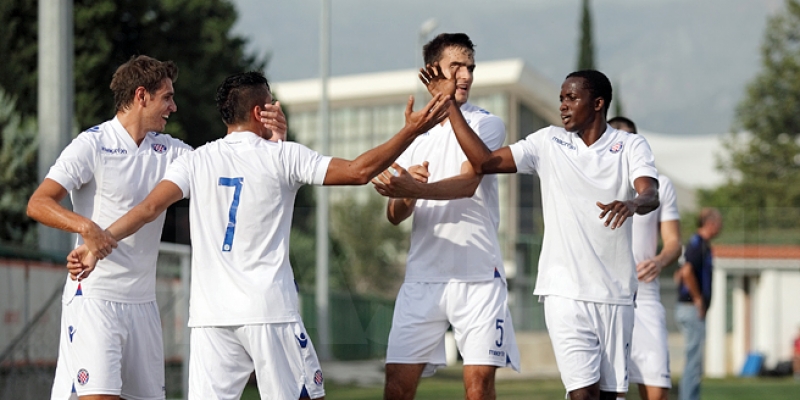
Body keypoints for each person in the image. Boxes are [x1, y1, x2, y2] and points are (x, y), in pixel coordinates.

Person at [67, 71, 450, 399]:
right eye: (270, 104)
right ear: (258, 111)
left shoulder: (196, 159)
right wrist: (412, 129)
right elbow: (358, 171)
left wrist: (94, 246)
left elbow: (148, 209)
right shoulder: (283, 156)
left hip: (210, 320)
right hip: (269, 312)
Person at [420, 66, 660, 400]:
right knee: (582, 395)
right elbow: (485, 161)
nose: (563, 105)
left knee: (609, 396)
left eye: (572, 98)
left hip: (616, 294)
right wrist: (449, 106)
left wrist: (633, 204)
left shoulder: (631, 145)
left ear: (598, 103)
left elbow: (650, 192)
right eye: (561, 98)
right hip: (563, 291)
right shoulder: (547, 142)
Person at [25, 55, 190, 400]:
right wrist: (87, 228)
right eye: (167, 97)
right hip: (94, 299)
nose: (173, 107)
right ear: (141, 96)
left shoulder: (171, 150)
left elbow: (223, 165)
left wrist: (269, 140)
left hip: (144, 304)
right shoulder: (92, 144)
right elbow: (38, 203)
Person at [371, 33, 519, 400]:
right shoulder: (414, 134)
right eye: (457, 67)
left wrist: (416, 189)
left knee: (478, 389)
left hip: (479, 278)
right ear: (431, 71)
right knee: (396, 388)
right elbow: (394, 214)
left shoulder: (486, 123)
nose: (466, 76)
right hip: (423, 279)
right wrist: (406, 191)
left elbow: (469, 183)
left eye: (470, 68)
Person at [609, 116, 681, 400]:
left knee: (657, 392)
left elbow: (674, 242)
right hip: (605, 296)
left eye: (628, 138)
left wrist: (660, 260)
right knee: (610, 392)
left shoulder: (660, 185)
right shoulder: (594, 182)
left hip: (645, 298)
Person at [675, 207, 722, 400]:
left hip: (689, 308)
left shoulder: (701, 244)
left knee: (693, 361)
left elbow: (679, 274)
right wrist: (698, 299)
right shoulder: (698, 244)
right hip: (691, 309)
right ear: (711, 224)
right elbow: (686, 272)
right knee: (694, 363)